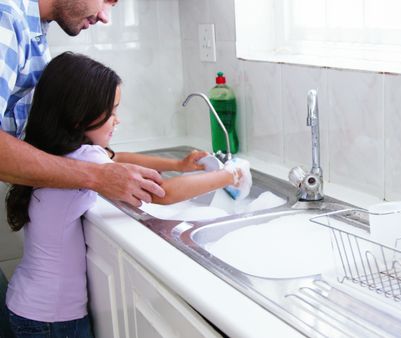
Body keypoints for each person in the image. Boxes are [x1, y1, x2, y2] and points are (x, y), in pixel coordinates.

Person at [4, 52, 245, 338]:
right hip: (53, 319)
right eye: (112, 111)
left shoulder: (50, 149)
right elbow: (161, 193)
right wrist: (230, 175)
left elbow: (116, 159)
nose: (117, 121)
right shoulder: (86, 158)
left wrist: (177, 164)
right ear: (81, 115)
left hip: (26, 304)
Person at [0, 0, 165, 206]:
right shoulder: (6, 19)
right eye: (106, 0)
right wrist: (98, 176)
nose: (105, 16)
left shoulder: (34, 30)